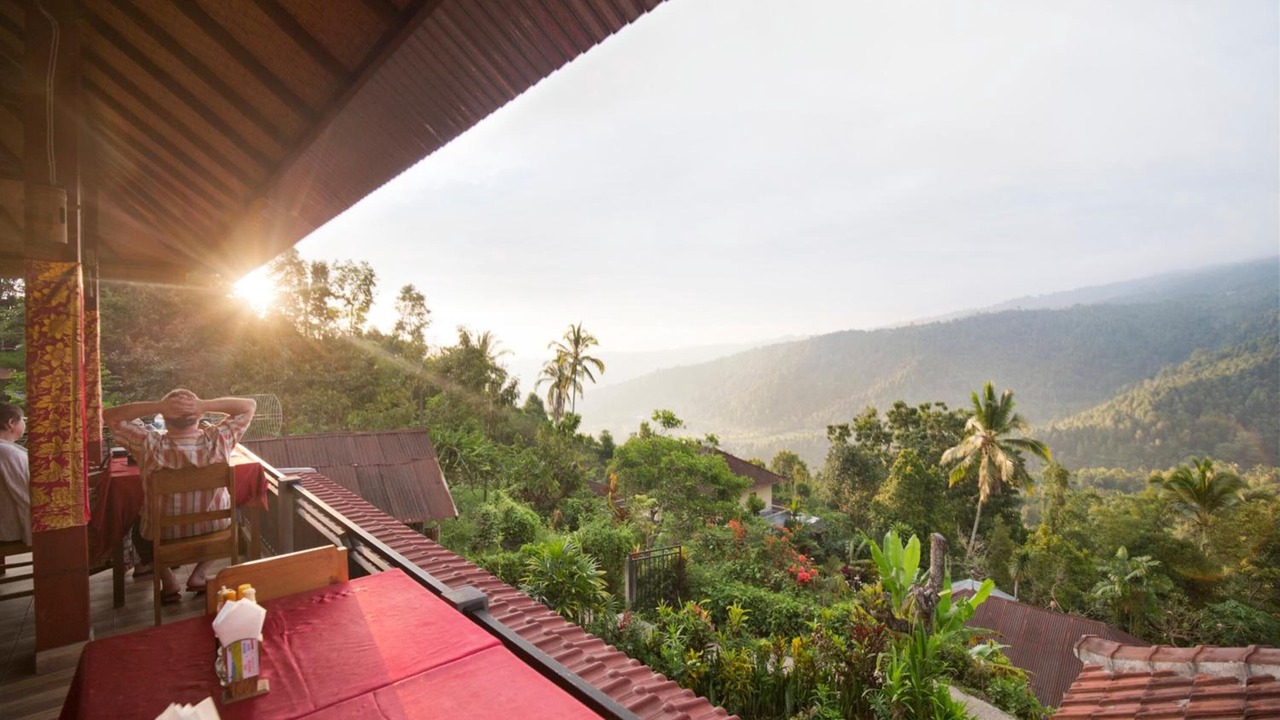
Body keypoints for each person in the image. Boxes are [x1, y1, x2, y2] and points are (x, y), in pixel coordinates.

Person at [103, 390, 255, 603]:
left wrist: (159, 406)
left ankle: (169, 581)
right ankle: (199, 575)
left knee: (138, 527)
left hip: (162, 534)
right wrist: (203, 404)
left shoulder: (149, 445)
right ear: (198, 417)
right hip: (215, 528)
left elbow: (110, 415)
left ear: (164, 419)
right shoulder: (219, 440)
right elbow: (249, 405)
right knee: (235, 512)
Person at [0, 403, 30, 547]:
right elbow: (26, 494)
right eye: (23, 419)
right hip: (9, 527)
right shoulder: (7, 453)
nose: (25, 423)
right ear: (11, 423)